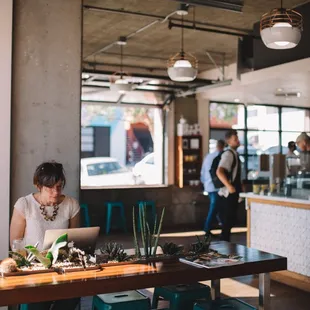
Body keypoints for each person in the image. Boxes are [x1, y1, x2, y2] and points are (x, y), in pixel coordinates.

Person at [10, 161, 81, 310]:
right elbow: (15, 244)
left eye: (59, 186)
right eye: (49, 187)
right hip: (33, 268)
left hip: (62, 267)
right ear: (38, 185)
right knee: (38, 300)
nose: (55, 192)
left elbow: (76, 240)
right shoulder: (25, 205)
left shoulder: (71, 205)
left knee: (73, 295)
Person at [216, 129, 241, 242]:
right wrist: (230, 186)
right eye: (235, 139)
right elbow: (219, 171)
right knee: (227, 223)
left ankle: (225, 245)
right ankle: (224, 247)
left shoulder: (234, 153)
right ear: (229, 141)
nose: (238, 141)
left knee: (229, 222)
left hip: (231, 192)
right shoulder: (228, 154)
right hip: (228, 193)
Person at [200, 139, 225, 233]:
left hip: (208, 186)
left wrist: (203, 183)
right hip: (216, 187)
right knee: (214, 208)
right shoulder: (220, 157)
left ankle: (223, 225)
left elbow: (202, 172)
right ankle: (207, 228)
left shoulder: (208, 156)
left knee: (218, 208)